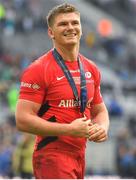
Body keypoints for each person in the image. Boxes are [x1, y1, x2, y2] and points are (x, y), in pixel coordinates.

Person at [15, 3, 109, 179]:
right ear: (51, 32)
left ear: (81, 28)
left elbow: (100, 110)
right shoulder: (39, 69)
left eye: (75, 23)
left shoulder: (91, 68)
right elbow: (22, 120)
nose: (70, 27)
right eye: (63, 24)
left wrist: (102, 127)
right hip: (52, 156)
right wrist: (68, 130)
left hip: (80, 154)